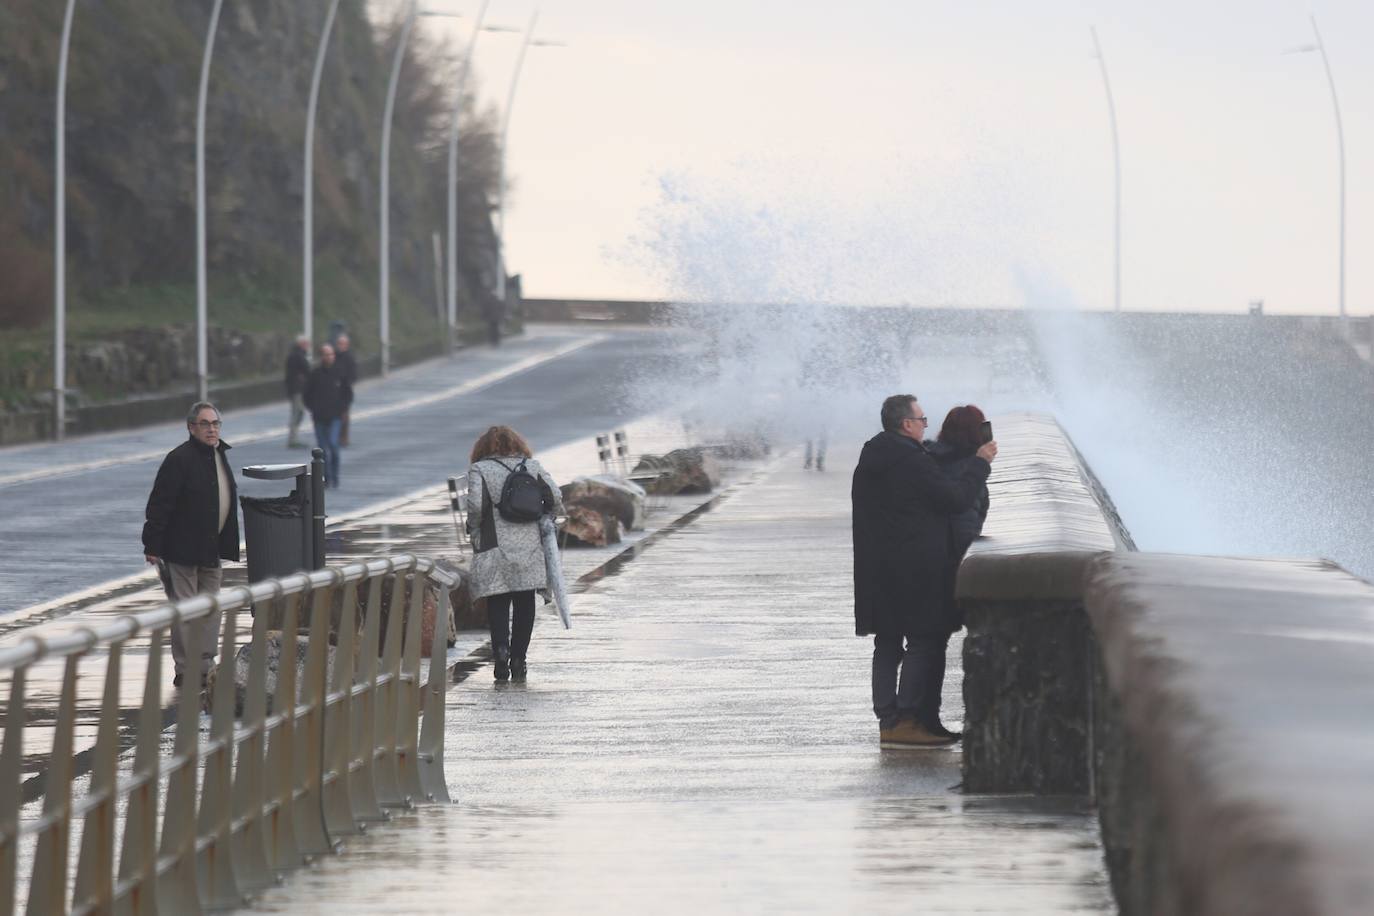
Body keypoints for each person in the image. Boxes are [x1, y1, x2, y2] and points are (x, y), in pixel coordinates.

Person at [852, 394, 997, 749]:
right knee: (922, 640)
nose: (925, 426)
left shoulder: (873, 456)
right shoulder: (912, 461)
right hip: (914, 567)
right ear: (907, 424)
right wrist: (980, 463)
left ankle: (888, 720)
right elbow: (956, 500)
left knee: (887, 641)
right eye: (921, 420)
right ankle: (907, 720)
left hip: (877, 565)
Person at [142, 401, 240, 688]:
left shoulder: (219, 455)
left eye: (215, 423)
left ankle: (206, 666)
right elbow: (160, 504)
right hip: (181, 549)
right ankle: (186, 669)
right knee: (185, 610)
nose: (211, 429)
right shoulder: (179, 459)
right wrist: (152, 544)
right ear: (191, 428)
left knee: (210, 609)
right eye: (205, 424)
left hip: (211, 548)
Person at [464, 425, 564, 682]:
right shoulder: (532, 466)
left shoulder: (480, 469)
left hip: (495, 545)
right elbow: (555, 496)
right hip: (530, 544)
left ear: (482, 447)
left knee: (497, 601)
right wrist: (546, 518)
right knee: (525, 602)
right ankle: (519, 659)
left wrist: (474, 529)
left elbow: (475, 506)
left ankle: (501, 652)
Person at [303, 343, 352, 487]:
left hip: (335, 416)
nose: (329, 357)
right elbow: (307, 394)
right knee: (321, 450)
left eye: (331, 354)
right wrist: (313, 408)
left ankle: (335, 476)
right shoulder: (315, 374)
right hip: (319, 417)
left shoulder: (340, 373)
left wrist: (343, 409)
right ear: (322, 356)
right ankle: (326, 478)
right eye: (326, 354)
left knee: (333, 444)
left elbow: (347, 393)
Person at [284, 335, 311, 448]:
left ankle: (294, 438)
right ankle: (292, 440)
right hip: (296, 389)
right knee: (297, 412)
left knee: (299, 412)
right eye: (306, 343)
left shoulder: (298, 354)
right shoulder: (297, 356)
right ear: (301, 344)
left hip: (298, 389)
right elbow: (305, 370)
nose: (308, 346)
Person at [334, 333, 358, 446]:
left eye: (343, 344)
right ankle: (336, 436)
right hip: (334, 391)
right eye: (339, 343)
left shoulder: (349, 358)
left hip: (345, 391)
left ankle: (344, 438)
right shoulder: (333, 356)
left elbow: (353, 374)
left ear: (347, 345)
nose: (341, 346)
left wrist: (348, 382)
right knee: (334, 415)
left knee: (344, 415)